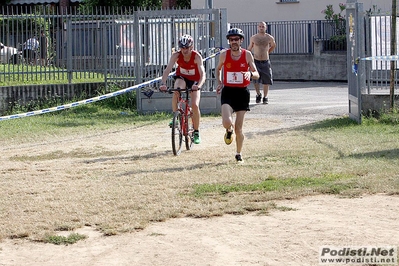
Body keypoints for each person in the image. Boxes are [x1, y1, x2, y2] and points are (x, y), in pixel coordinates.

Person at [215, 28, 259, 162]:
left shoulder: (247, 55)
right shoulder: (224, 55)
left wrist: (250, 74)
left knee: (239, 128)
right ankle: (228, 130)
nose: (233, 42)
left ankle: (238, 153)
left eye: (236, 39)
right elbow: (218, 69)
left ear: (241, 40)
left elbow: (257, 74)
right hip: (228, 91)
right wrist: (220, 82)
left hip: (242, 92)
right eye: (231, 40)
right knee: (227, 121)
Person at [160, 34, 206, 145]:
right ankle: (175, 116)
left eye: (187, 48)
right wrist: (163, 83)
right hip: (182, 77)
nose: (184, 50)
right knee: (177, 90)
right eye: (182, 48)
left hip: (195, 80)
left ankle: (196, 131)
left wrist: (198, 85)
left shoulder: (196, 56)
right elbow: (167, 70)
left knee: (195, 105)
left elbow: (203, 74)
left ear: (192, 47)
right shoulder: (176, 55)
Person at [247, 21, 276, 104]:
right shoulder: (253, 38)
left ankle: (265, 96)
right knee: (255, 79)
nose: (261, 28)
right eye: (260, 26)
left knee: (266, 79)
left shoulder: (269, 37)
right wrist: (246, 56)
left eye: (263, 26)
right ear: (257, 27)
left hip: (265, 61)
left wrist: (268, 52)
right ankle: (258, 94)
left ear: (265, 27)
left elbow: (273, 45)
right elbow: (250, 48)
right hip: (256, 60)